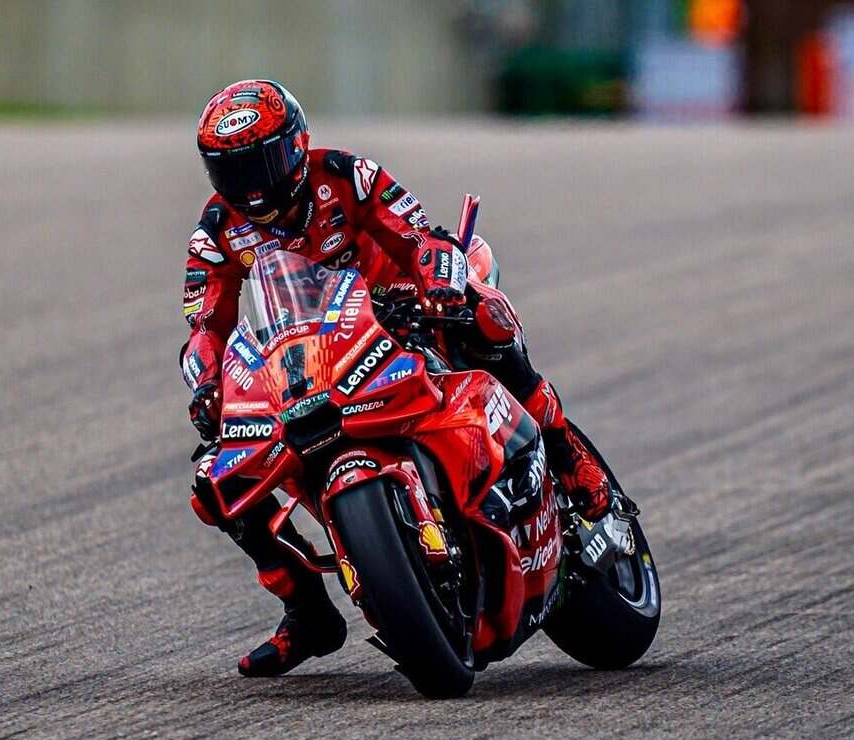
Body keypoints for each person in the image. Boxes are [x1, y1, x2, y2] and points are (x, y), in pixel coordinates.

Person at [179, 79, 636, 678]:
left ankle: (571, 459)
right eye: (231, 171)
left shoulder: (346, 175)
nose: (251, 186)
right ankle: (307, 609)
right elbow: (205, 325)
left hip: (396, 315)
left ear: (295, 146)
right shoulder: (216, 229)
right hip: (301, 363)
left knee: (487, 322)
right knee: (217, 483)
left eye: (260, 162)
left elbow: (416, 231)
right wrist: (208, 384)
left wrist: (437, 280)